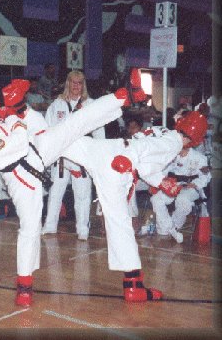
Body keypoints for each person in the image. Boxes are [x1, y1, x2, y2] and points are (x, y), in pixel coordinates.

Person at [0, 71, 146, 306]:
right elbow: (17, 144)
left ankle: (127, 95)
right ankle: (24, 286)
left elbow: (2, 99)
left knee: (75, 123)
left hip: (37, 148)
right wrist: (13, 115)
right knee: (30, 229)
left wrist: (9, 100)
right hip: (21, 178)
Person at [57, 112, 208, 301]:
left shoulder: (165, 132)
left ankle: (27, 136)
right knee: (120, 225)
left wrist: (160, 181)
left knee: (59, 141)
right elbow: (143, 149)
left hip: (106, 150)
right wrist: (133, 162)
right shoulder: (174, 142)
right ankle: (133, 285)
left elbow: (146, 163)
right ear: (195, 139)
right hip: (118, 165)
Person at [42, 70, 105, 240]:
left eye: (80, 83)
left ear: (83, 85)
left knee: (83, 195)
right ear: (67, 83)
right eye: (73, 82)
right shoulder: (57, 105)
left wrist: (98, 156)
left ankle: (82, 228)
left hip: (82, 157)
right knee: (55, 193)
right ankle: (49, 225)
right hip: (61, 156)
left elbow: (99, 132)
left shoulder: (91, 105)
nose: (76, 86)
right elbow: (48, 130)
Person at [150, 116, 211, 243]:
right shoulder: (171, 155)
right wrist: (159, 183)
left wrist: (195, 184)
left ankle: (174, 226)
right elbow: (162, 171)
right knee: (156, 199)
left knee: (183, 201)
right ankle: (168, 229)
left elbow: (206, 176)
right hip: (174, 185)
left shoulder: (199, 158)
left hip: (191, 187)